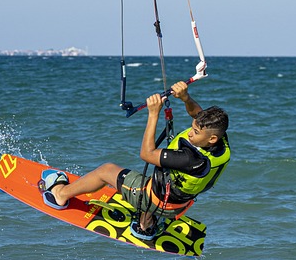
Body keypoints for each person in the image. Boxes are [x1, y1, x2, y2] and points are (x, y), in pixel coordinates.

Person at [41, 81, 230, 240]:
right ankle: (146, 223)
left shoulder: (191, 159)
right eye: (192, 127)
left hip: (156, 200)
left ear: (211, 138)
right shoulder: (221, 144)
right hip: (180, 204)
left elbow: (147, 154)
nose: (190, 133)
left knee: (106, 170)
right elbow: (197, 115)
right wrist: (186, 98)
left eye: (195, 132)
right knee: (162, 179)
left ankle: (60, 194)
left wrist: (153, 114)